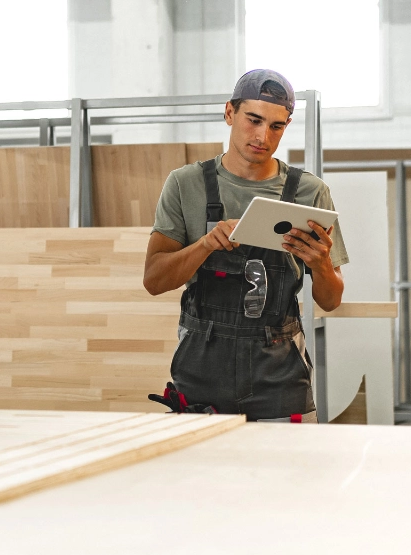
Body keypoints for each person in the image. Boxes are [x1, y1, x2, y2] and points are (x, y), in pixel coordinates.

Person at [142, 70, 347, 421]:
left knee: (288, 476)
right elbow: (154, 281)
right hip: (200, 381)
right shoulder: (185, 184)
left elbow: (330, 299)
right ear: (229, 113)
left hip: (280, 383)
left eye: (276, 126)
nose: (262, 136)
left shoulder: (310, 194)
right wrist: (204, 245)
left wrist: (321, 264)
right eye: (253, 120)